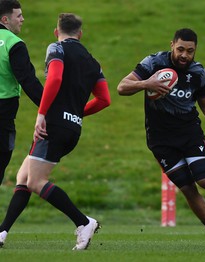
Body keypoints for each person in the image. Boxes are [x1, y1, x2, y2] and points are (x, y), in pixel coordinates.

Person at [117, 28, 205, 246]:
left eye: (190, 51)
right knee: (187, 188)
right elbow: (122, 87)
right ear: (172, 45)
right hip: (160, 141)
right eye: (180, 49)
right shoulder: (153, 64)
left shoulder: (198, 73)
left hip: (190, 135)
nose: (184, 55)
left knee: (204, 180)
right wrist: (147, 83)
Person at [0, 13, 111, 250]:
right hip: (72, 128)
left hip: (53, 125)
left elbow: (56, 77)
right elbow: (104, 99)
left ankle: (84, 223)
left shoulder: (56, 48)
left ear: (56, 31)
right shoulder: (93, 62)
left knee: (36, 181)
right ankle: (2, 232)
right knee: (24, 177)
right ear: (80, 34)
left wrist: (42, 113)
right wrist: (77, 114)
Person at [0, 0, 43, 185]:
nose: (22, 19)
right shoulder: (13, 44)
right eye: (18, 16)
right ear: (5, 19)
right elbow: (28, 80)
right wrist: (49, 106)